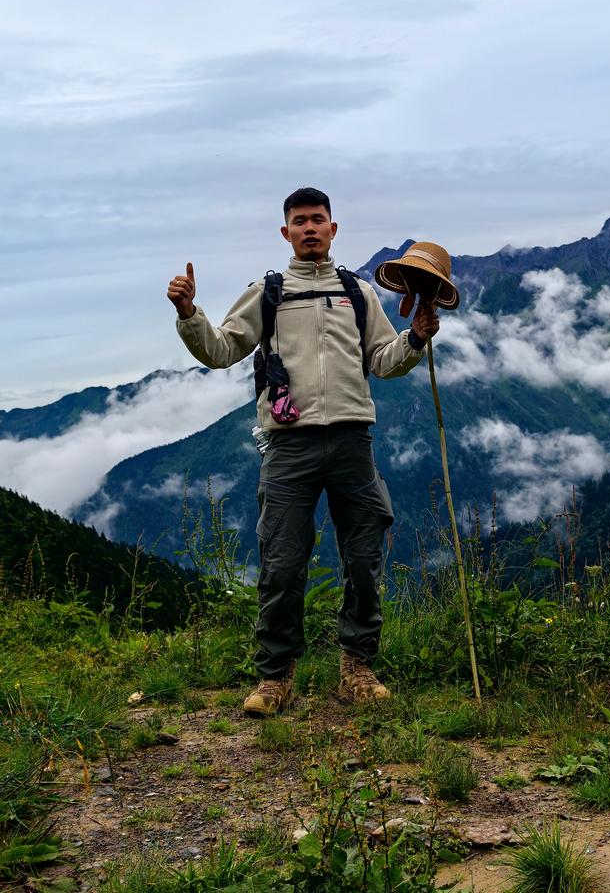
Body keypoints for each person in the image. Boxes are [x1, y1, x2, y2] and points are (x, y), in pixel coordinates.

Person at [166, 187, 439, 716]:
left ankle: (357, 668)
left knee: (363, 557)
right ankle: (275, 678)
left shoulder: (357, 293)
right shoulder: (267, 292)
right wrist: (188, 313)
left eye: (318, 220)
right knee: (282, 562)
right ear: (285, 232)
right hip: (287, 445)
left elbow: (382, 360)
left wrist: (415, 338)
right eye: (300, 221)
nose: (310, 228)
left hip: (352, 440)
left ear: (334, 230)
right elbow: (222, 350)